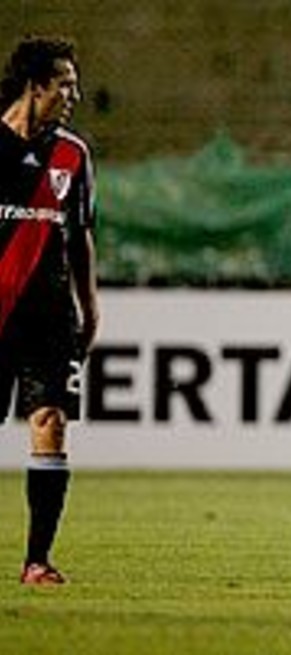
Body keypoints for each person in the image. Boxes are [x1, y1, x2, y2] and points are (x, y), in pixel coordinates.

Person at [0, 36, 97, 586]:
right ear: (34, 87)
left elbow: (80, 237)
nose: (73, 94)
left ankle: (37, 560)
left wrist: (91, 305)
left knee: (50, 423)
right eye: (64, 84)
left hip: (50, 318)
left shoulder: (72, 155)